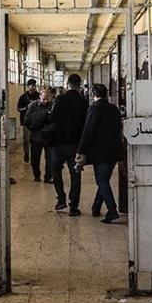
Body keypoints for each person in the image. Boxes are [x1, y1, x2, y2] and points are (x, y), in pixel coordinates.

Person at [76, 83, 123, 223]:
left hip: (100, 152)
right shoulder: (114, 109)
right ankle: (96, 207)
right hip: (114, 151)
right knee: (104, 180)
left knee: (102, 181)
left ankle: (112, 210)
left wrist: (81, 150)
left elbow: (88, 131)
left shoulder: (94, 109)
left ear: (93, 94)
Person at [46, 73, 88, 216]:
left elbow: (52, 118)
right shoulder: (83, 101)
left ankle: (61, 199)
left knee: (56, 170)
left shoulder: (60, 99)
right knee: (75, 175)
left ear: (67, 84)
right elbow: (86, 124)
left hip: (58, 143)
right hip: (76, 145)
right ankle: (73, 207)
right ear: (79, 85)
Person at [23, 87, 56, 183]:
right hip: (36, 136)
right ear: (40, 96)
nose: (45, 101)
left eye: (47, 99)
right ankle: (36, 175)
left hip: (48, 136)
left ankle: (48, 176)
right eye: (43, 99)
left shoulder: (52, 106)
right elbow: (27, 120)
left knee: (49, 158)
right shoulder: (32, 106)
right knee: (35, 158)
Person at [16, 79, 39, 163]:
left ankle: (34, 156)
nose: (34, 87)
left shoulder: (39, 96)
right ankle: (26, 153)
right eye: (32, 86)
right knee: (26, 139)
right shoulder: (23, 97)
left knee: (35, 140)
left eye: (35, 85)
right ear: (28, 86)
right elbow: (19, 108)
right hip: (26, 122)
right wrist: (27, 107)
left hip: (37, 121)